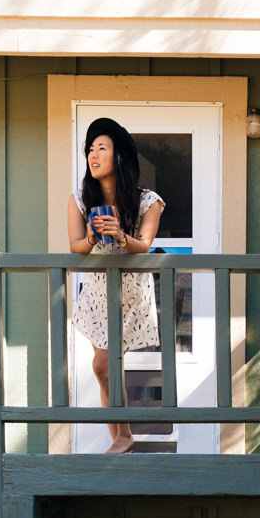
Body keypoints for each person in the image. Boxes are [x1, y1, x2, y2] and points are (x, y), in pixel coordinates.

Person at [68, 117, 165, 454]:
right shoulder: (81, 199)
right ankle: (121, 435)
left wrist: (121, 235)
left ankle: (122, 436)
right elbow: (75, 246)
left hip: (129, 287)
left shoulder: (146, 201)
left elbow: (146, 244)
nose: (93, 155)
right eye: (90, 150)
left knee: (109, 363)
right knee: (104, 364)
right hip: (97, 287)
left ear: (118, 157)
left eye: (101, 148)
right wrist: (93, 235)